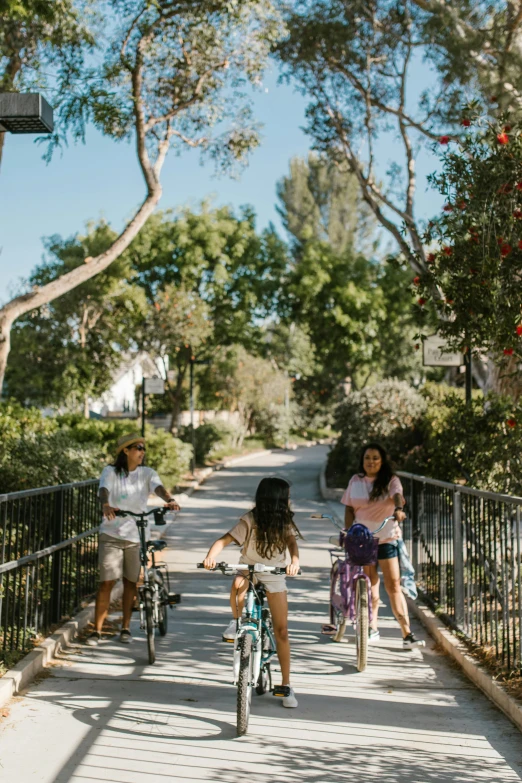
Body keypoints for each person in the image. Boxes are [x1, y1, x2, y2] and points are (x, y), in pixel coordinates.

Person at [203, 477, 301, 709]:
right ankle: (237, 621)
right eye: (286, 497)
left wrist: (294, 561)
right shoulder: (249, 520)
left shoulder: (283, 522)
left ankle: (286, 684)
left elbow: (291, 543)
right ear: (276, 500)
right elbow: (224, 539)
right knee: (238, 584)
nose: (288, 501)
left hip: (273, 572)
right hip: (249, 568)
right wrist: (211, 556)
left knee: (282, 631)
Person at [86, 432, 180, 647]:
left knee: (131, 582)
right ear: (125, 451)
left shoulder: (147, 473)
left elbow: (158, 488)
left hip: (136, 535)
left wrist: (170, 499)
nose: (142, 452)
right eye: (137, 447)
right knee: (106, 583)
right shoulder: (110, 472)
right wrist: (105, 504)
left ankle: (126, 627)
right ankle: (97, 631)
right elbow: (103, 489)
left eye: (143, 448)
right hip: (111, 533)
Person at [341, 442, 425, 649]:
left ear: (382, 461)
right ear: (362, 460)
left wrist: (398, 509)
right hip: (363, 540)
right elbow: (350, 508)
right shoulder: (356, 480)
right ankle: (371, 627)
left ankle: (407, 635)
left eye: (375, 458)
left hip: (386, 539)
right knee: (370, 586)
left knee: (394, 586)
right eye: (367, 458)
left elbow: (397, 496)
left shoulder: (391, 480)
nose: (371, 462)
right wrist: (349, 531)